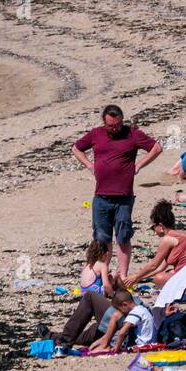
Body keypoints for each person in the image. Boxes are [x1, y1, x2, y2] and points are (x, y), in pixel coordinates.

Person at [72, 105, 162, 277]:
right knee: (101, 238)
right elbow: (76, 148)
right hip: (101, 196)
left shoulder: (132, 133)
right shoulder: (96, 133)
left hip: (124, 197)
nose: (115, 128)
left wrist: (139, 166)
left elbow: (156, 148)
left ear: (122, 120)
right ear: (104, 122)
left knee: (123, 236)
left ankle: (123, 275)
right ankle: (102, 274)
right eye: (111, 125)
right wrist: (90, 165)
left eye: (118, 124)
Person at [119, 201, 186, 290]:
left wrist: (135, 276)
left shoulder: (167, 240)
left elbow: (153, 265)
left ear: (160, 226)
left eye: (153, 227)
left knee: (159, 279)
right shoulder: (180, 235)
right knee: (168, 272)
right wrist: (139, 278)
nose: (154, 231)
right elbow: (160, 268)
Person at [87, 288, 156, 354]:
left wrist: (116, 348)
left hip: (142, 345)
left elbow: (122, 332)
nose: (121, 312)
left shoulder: (135, 312)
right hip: (151, 341)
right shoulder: (142, 309)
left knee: (117, 321)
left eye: (120, 309)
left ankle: (105, 346)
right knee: (118, 318)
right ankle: (104, 343)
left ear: (124, 304)